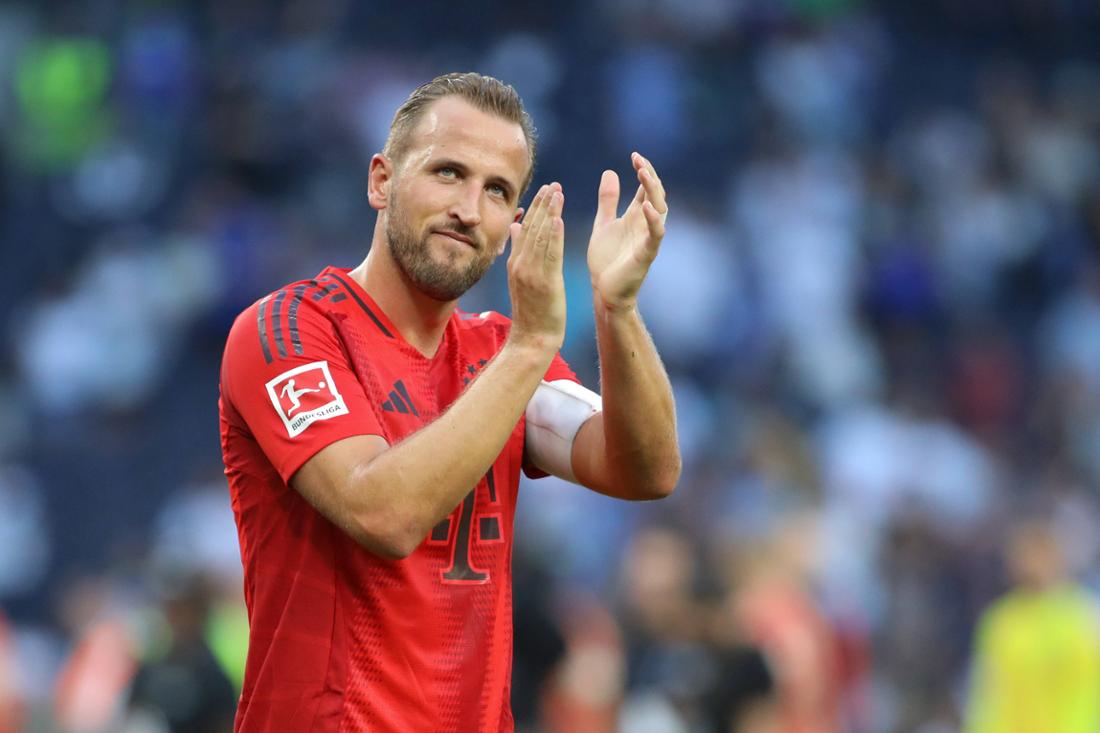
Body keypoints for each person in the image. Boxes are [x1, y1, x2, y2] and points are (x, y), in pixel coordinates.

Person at [218, 71, 681, 732]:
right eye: (448, 173)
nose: (469, 207)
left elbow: (647, 469)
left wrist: (617, 307)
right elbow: (381, 511)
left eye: (497, 191)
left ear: (512, 227)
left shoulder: (504, 354)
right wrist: (528, 346)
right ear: (381, 180)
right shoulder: (288, 330)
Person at [963, 519, 1100, 733]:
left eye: (1040, 555)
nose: (1032, 564)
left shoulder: (1084, 616)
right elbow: (988, 696)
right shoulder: (1002, 622)